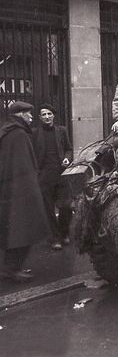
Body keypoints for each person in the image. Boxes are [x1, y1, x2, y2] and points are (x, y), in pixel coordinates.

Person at [0, 101, 50, 282]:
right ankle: (11, 270)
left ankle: (12, 268)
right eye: (28, 114)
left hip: (10, 191)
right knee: (22, 231)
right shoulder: (19, 134)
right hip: (22, 193)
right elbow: (24, 167)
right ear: (20, 115)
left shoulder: (8, 132)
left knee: (15, 232)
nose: (31, 117)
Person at [32, 103, 74, 250]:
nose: (47, 117)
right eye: (43, 114)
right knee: (48, 209)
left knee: (66, 206)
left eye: (49, 114)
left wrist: (68, 158)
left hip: (61, 174)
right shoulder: (34, 133)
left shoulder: (61, 131)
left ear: (53, 116)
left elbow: (69, 149)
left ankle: (64, 233)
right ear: (39, 117)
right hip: (44, 176)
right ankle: (55, 238)